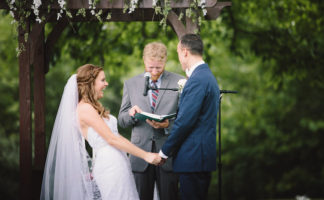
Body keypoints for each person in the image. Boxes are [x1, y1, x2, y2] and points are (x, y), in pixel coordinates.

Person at [41, 64, 161, 200]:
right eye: (103, 80)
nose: (106, 83)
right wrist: (146, 155)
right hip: (110, 166)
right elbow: (111, 139)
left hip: (118, 162)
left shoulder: (92, 107)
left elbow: (115, 136)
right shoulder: (84, 109)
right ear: (90, 83)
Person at [118, 42, 184, 200]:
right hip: (140, 154)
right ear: (143, 61)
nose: (154, 72)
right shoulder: (131, 84)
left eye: (158, 68)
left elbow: (185, 119)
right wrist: (132, 115)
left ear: (165, 61)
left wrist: (168, 125)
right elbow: (121, 120)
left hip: (168, 154)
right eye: (150, 67)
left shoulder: (180, 82)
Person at [159, 34, 220, 200]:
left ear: (185, 52)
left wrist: (164, 152)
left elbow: (185, 122)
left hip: (193, 158)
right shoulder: (206, 76)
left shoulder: (198, 80)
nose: (179, 58)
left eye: (178, 52)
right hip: (199, 158)